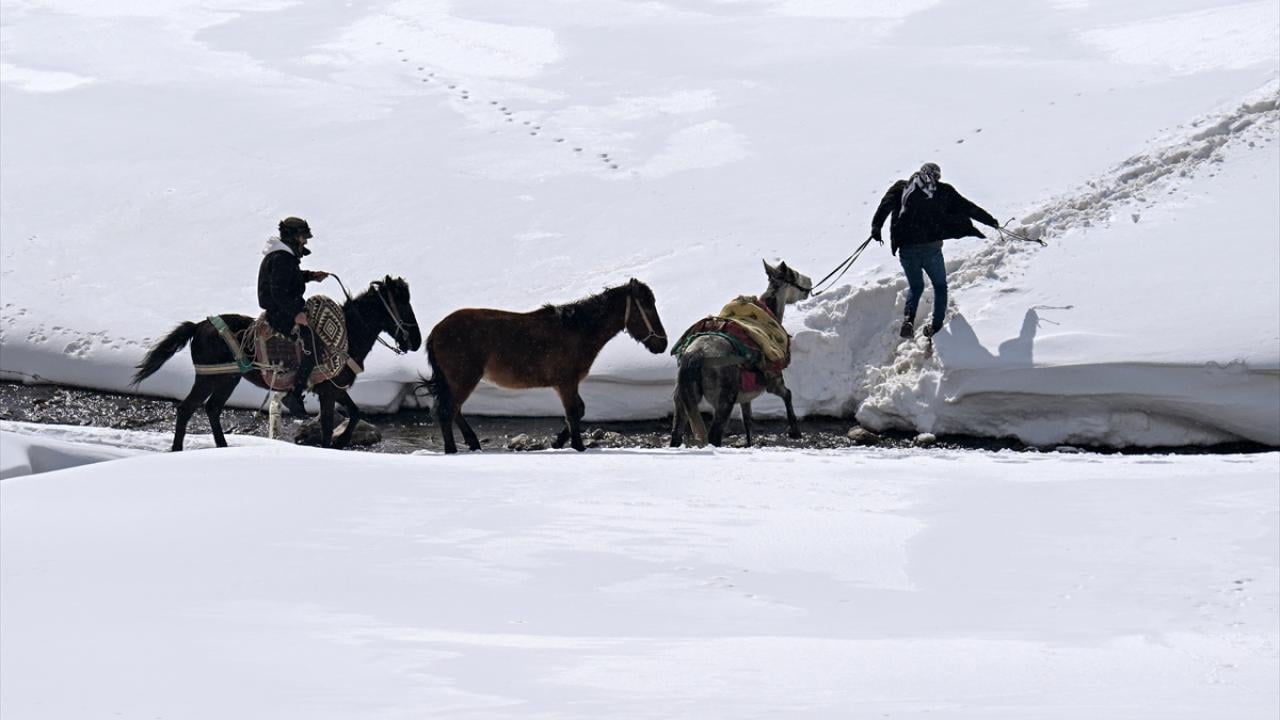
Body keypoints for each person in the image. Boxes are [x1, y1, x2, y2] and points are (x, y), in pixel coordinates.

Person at [870, 162, 999, 338]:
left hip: (907, 250)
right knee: (939, 286)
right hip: (931, 249)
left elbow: (884, 206)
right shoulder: (942, 191)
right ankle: (936, 327)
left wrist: (876, 227)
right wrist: (990, 221)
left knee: (916, 286)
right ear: (937, 177)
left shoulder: (902, 188)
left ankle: (908, 319)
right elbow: (967, 207)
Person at [257, 216, 330, 417]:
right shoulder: (282, 258)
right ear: (293, 237)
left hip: (283, 309)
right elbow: (278, 293)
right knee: (312, 346)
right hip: (280, 313)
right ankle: (295, 394)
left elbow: (289, 277)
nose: (305, 241)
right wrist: (296, 314)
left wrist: (310, 276)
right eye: (302, 237)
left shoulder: (283, 257)